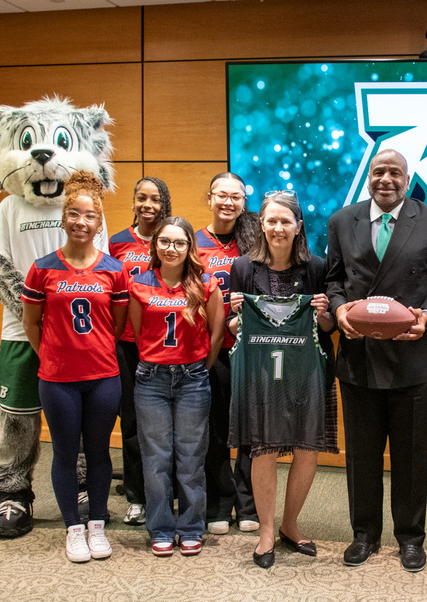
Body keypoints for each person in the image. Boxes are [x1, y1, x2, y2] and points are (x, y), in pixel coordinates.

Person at [326, 148, 427, 573]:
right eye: (379, 170)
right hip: (359, 357)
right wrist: (341, 307)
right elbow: (334, 279)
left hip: (413, 357)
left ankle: (411, 538)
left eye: (395, 172)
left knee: (411, 455)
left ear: (407, 177)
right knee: (361, 454)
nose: (387, 179)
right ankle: (363, 533)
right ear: (368, 175)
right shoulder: (343, 220)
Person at [20, 171, 127, 563]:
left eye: (90, 217)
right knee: (65, 453)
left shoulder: (114, 270)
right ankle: (73, 528)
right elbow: (31, 322)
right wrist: (52, 353)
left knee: (99, 452)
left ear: (100, 224)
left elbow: (115, 325)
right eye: (74, 214)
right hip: (58, 379)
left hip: (102, 377)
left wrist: (92, 350)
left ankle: (97, 522)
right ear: (64, 218)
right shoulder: (43, 268)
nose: (82, 222)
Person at [227, 191, 338, 568]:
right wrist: (237, 314)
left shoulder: (318, 268)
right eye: (271, 220)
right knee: (264, 449)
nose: (278, 228)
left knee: (307, 447)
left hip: (307, 371)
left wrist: (323, 312)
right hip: (260, 372)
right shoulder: (242, 268)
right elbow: (233, 328)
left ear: (298, 226)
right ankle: (266, 531)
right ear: (262, 223)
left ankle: (290, 524)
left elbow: (327, 327)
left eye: (285, 221)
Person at [128, 217, 224, 557]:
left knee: (191, 457)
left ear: (189, 248)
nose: (171, 249)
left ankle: (191, 527)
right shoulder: (138, 284)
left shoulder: (206, 284)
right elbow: (139, 335)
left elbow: (216, 334)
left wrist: (199, 368)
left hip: (192, 380)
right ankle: (161, 527)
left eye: (179, 243)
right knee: (156, 458)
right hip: (151, 381)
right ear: (156, 246)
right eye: (165, 242)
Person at [196, 172, 260, 535]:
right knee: (216, 430)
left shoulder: (254, 242)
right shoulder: (194, 242)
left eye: (235, 197)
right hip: (211, 351)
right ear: (210, 198)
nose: (228, 202)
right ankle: (219, 502)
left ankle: (247, 502)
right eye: (221, 195)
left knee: (250, 431)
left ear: (243, 203)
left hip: (251, 351)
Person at [109, 176, 172, 526]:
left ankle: (167, 493)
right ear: (133, 203)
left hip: (164, 346)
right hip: (128, 345)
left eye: (155, 199)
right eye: (142, 198)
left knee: (167, 427)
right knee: (132, 424)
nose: (148, 205)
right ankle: (136, 496)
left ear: (165, 204)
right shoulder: (117, 243)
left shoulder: (172, 239)